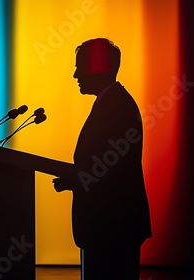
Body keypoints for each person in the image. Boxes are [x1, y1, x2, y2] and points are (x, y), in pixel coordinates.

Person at [52, 38, 152, 280]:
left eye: (79, 67)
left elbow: (111, 169)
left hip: (113, 225)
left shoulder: (117, 106)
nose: (75, 75)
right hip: (109, 223)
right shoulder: (110, 102)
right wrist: (73, 179)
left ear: (97, 69)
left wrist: (74, 180)